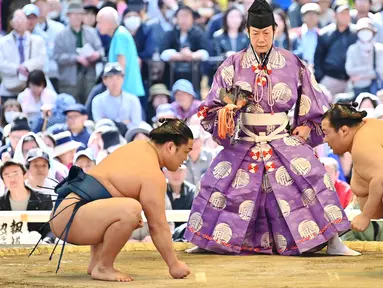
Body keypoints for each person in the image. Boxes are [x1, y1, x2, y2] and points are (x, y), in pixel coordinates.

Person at [185, 0, 360, 257]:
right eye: (256, 33)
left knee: (313, 174)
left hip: (281, 136)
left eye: (266, 33)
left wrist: (306, 128)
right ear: (247, 32)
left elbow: (313, 101)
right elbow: (210, 107)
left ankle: (333, 240)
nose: (261, 39)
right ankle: (207, 240)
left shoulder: (293, 63)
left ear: (274, 31)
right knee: (217, 180)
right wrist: (227, 114)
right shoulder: (231, 65)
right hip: (244, 138)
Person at [29, 118, 192, 282]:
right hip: (70, 218)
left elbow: (103, 194)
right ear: (170, 147)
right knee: (131, 210)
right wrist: (174, 264)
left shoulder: (138, 147)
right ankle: (104, 266)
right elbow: (158, 226)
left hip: (66, 212)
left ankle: (96, 262)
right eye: (186, 152)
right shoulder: (153, 175)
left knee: (122, 206)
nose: (186, 158)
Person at [321, 102, 383, 232]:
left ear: (344, 130)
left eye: (326, 133)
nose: (325, 140)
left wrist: (365, 216)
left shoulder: (363, 146)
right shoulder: (367, 126)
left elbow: (381, 178)